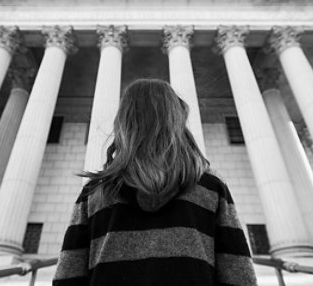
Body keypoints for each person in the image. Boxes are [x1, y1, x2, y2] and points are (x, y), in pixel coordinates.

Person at [53, 78, 257, 286]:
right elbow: (239, 276)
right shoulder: (211, 187)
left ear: (124, 123)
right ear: (176, 121)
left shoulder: (95, 192)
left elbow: (68, 277)